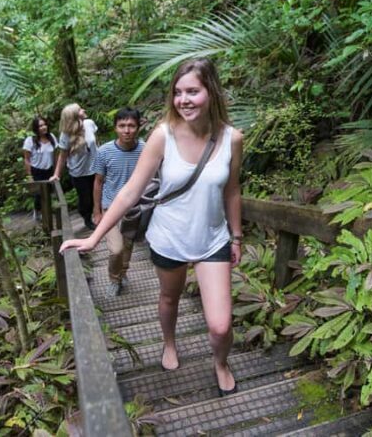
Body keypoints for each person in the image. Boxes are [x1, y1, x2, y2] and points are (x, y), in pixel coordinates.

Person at [61, 58, 243, 396]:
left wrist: (236, 235)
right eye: (178, 92)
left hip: (212, 240)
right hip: (168, 238)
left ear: (212, 91)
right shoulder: (163, 135)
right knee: (169, 299)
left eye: (193, 91)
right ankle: (169, 342)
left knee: (220, 326)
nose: (183, 100)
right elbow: (130, 192)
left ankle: (221, 361)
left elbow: (232, 190)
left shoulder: (232, 139)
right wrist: (93, 239)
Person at [93, 107, 145, 297]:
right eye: (122, 125)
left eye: (131, 125)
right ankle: (114, 279)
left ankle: (122, 274)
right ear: (115, 128)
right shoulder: (104, 151)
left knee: (128, 247)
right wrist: (97, 211)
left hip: (134, 209)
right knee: (116, 249)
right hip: (110, 208)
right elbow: (98, 182)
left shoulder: (145, 150)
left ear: (138, 127)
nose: (126, 130)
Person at [53, 103, 99, 230]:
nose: (83, 109)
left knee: (98, 193)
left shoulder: (89, 123)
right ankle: (87, 218)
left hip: (95, 167)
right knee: (86, 199)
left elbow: (96, 141)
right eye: (79, 109)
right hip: (79, 172)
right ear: (73, 115)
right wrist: (57, 174)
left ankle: (99, 216)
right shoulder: (65, 134)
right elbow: (62, 156)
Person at [22, 116, 57, 221]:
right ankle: (38, 212)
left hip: (49, 170)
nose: (43, 127)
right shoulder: (30, 141)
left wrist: (56, 171)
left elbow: (55, 155)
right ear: (36, 128)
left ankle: (47, 213)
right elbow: (27, 159)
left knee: (48, 193)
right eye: (40, 126)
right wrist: (29, 176)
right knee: (39, 194)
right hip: (36, 171)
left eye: (44, 124)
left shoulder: (52, 137)